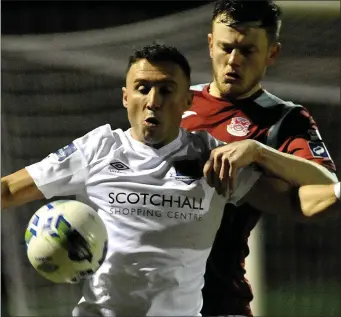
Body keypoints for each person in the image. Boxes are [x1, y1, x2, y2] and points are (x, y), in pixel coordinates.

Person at [1, 43, 337, 317]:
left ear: (188, 100)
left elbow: (298, 203)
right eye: (142, 88)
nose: (153, 101)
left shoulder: (213, 157)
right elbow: (7, 190)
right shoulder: (97, 149)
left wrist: (270, 157)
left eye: (166, 89)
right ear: (125, 97)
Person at [180, 0, 338, 316]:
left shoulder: (285, 119)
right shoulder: (175, 102)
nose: (233, 61)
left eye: (247, 51)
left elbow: (326, 183)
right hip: (146, 293)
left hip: (218, 298)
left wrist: (258, 152)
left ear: (272, 54)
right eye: (225, 48)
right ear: (211, 45)